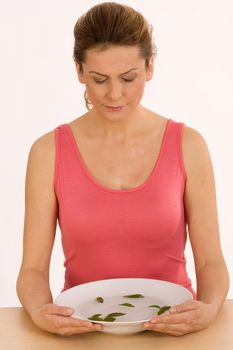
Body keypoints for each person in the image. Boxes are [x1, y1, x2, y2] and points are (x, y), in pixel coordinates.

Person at [16, 2, 229, 337]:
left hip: (173, 330)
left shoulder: (189, 145)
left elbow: (211, 263)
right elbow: (31, 271)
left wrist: (210, 306)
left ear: (150, 67)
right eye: (100, 79)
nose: (115, 94)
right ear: (79, 71)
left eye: (128, 78)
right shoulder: (48, 152)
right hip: (83, 332)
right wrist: (42, 312)